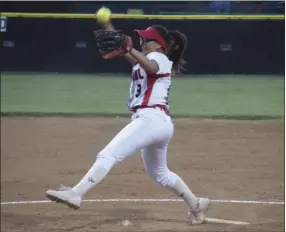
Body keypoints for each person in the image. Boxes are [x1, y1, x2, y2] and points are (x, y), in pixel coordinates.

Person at [46, 19, 211, 225]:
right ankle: (197, 205)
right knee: (161, 174)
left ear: (159, 44)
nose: (143, 42)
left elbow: (150, 67)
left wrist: (130, 48)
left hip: (150, 120)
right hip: (159, 122)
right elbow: (124, 49)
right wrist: (108, 26)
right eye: (141, 39)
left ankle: (76, 193)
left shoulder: (158, 57)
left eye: (147, 39)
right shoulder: (147, 57)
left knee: (108, 154)